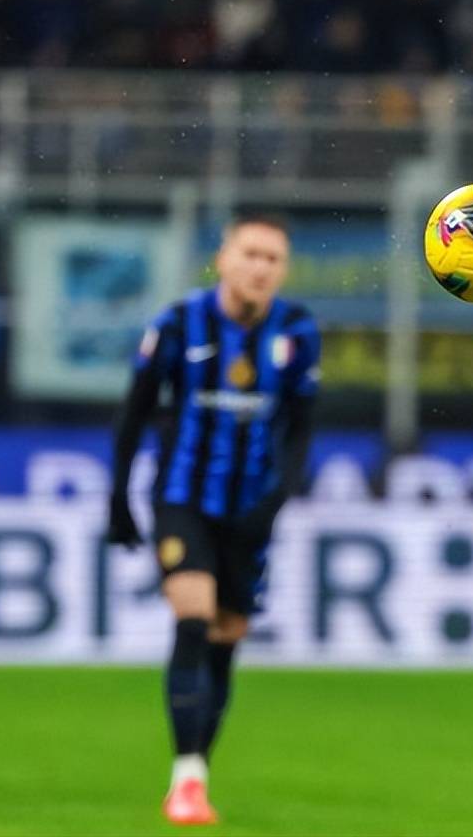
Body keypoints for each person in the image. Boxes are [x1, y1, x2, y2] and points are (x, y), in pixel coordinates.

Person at [107, 213, 319, 826]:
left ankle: (196, 770)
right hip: (183, 499)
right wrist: (117, 499)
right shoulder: (179, 324)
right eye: (250, 254)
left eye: (273, 258)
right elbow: (134, 413)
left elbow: (301, 427)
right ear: (222, 260)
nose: (260, 267)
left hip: (251, 508)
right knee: (194, 620)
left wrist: (276, 501)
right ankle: (186, 779)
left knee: (226, 637)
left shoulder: (297, 331)